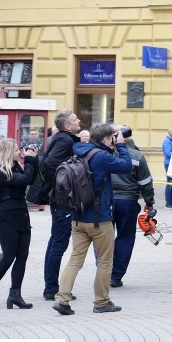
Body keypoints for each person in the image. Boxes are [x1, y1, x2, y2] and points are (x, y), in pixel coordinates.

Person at [52, 123, 132, 316]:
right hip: (100, 219)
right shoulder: (102, 156)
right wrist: (121, 145)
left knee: (75, 259)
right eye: (112, 137)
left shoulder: (78, 151)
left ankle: (62, 299)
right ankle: (102, 302)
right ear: (106, 139)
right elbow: (126, 166)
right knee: (105, 261)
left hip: (77, 218)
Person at [0, 139, 39, 308]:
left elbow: (30, 178)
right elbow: (25, 180)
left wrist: (32, 160)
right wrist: (30, 160)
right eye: (16, 150)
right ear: (8, 152)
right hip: (6, 217)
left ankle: (15, 294)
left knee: (22, 257)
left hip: (21, 215)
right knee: (8, 257)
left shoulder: (15, 166)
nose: (20, 152)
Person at [41, 109, 82, 302]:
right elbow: (50, 163)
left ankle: (51, 285)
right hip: (62, 199)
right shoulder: (65, 139)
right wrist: (64, 184)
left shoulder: (62, 138)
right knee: (59, 242)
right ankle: (51, 288)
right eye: (75, 119)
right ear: (67, 126)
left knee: (55, 241)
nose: (79, 120)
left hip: (59, 198)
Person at [110, 145, 155, 288]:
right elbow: (145, 182)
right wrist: (149, 202)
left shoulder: (100, 153)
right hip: (128, 201)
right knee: (125, 238)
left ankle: (103, 271)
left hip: (105, 202)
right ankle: (115, 276)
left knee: (102, 238)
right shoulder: (136, 156)